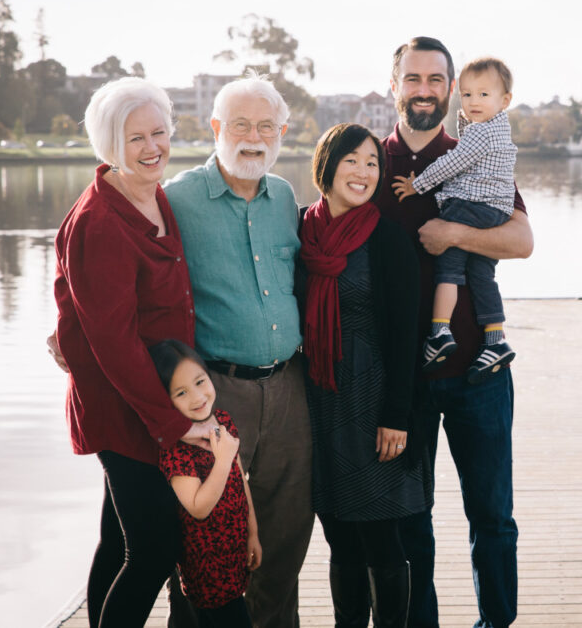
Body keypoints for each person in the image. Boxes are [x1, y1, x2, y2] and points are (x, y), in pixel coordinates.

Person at [376, 37, 533, 628]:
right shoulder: (367, 160)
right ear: (394, 86)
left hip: (477, 373)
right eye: (412, 78)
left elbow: (521, 240)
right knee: (409, 521)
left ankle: (496, 623)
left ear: (450, 89)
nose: (424, 90)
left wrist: (454, 235)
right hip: (401, 380)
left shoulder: (476, 147)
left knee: (492, 517)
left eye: (436, 80)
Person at [53, 77, 215, 628]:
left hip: (155, 400)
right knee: (154, 548)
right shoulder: (99, 222)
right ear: (109, 144)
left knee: (120, 539)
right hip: (125, 410)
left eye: (159, 133)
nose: (152, 147)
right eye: (136, 138)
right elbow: (113, 342)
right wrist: (173, 423)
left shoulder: (152, 194)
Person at [161, 71, 313, 628]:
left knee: (288, 529)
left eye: (266, 126)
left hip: (289, 388)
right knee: (207, 542)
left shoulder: (284, 197)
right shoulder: (177, 198)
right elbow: (120, 260)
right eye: (241, 125)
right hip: (217, 391)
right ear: (216, 127)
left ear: (282, 132)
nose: (254, 137)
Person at [298, 123, 429, 628]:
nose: (363, 171)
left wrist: (397, 415)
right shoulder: (301, 231)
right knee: (338, 534)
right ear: (326, 166)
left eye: (372, 162)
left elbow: (406, 335)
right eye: (351, 160)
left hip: (374, 403)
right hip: (320, 400)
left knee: (380, 535)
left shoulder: (387, 239)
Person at [391, 57, 518, 383]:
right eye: (468, 94)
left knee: (449, 269)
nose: (473, 102)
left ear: (505, 100)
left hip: (470, 205)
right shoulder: (497, 129)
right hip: (495, 210)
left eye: (483, 95)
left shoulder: (478, 137)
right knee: (482, 273)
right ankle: (495, 339)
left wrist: (417, 184)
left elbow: (453, 162)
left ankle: (439, 332)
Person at [150, 339, 262, 628]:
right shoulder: (176, 448)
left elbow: (240, 482)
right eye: (181, 392)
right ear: (166, 400)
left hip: (234, 550)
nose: (198, 397)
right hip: (207, 567)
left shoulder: (222, 420)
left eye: (200, 382)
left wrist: (252, 532)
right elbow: (198, 507)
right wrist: (222, 460)